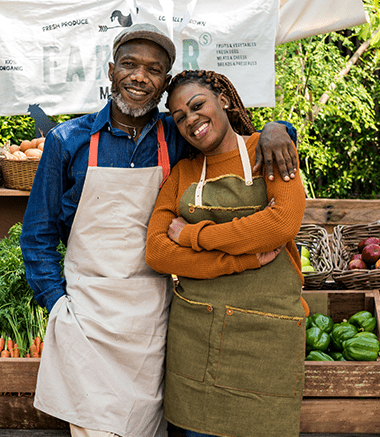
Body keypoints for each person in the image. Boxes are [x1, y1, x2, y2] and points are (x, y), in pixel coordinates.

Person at [20, 23, 299, 437]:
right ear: (111, 70)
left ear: (163, 83)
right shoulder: (68, 140)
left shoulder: (178, 134)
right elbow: (37, 234)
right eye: (129, 64)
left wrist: (280, 129)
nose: (139, 76)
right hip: (87, 317)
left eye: (153, 70)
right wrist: (58, 304)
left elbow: (230, 133)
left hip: (153, 317)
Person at [145, 69, 310, 437]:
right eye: (180, 117)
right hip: (196, 339)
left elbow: (281, 224)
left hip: (264, 340)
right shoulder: (183, 174)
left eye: (197, 105)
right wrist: (240, 260)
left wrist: (193, 235)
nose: (191, 120)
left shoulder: (268, 150)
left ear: (223, 98)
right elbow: (157, 252)